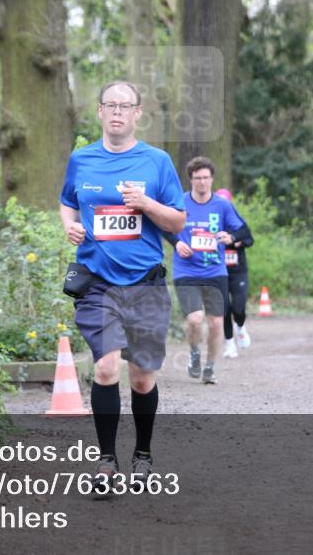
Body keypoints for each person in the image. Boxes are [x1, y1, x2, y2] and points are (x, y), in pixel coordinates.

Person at [59, 80, 186, 490]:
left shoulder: (157, 162)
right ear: (99, 112)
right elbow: (66, 201)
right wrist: (70, 226)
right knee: (106, 366)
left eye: (124, 105)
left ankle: (143, 452)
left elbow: (178, 222)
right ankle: (106, 461)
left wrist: (146, 204)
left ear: (137, 113)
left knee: (143, 378)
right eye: (109, 105)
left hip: (146, 284)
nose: (116, 112)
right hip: (97, 284)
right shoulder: (81, 160)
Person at [163, 157, 245, 384]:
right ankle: (194, 354)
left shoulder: (222, 205)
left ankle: (210, 367)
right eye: (197, 178)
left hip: (215, 272)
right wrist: (177, 243)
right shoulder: (179, 202)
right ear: (190, 180)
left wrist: (231, 237)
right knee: (194, 320)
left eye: (205, 178)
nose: (201, 182)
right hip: (186, 271)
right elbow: (164, 226)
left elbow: (243, 231)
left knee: (216, 323)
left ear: (211, 179)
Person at [214, 188, 254, 358]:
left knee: (238, 308)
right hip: (218, 271)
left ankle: (240, 326)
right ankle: (230, 345)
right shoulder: (213, 221)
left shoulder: (236, 221)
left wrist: (238, 242)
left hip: (238, 271)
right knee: (224, 309)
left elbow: (249, 239)